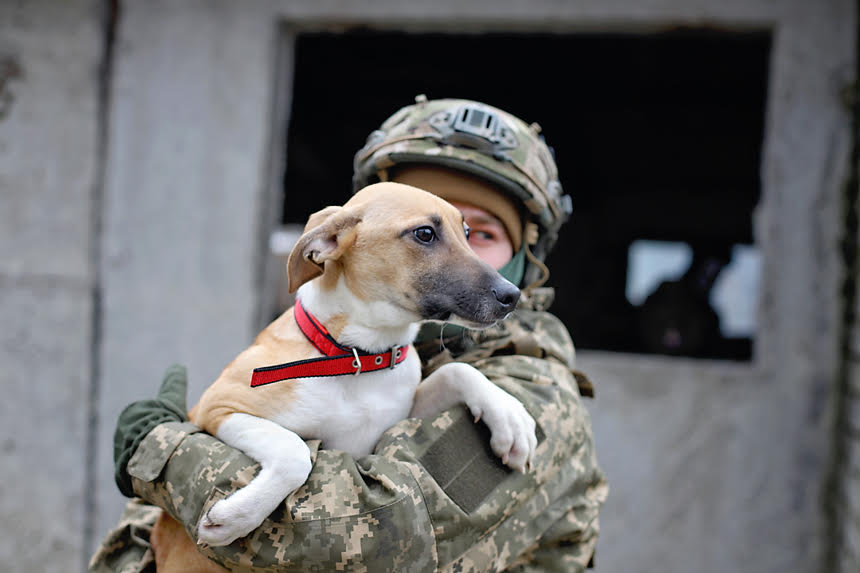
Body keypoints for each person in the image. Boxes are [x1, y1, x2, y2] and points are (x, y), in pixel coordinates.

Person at [89, 96, 607, 573]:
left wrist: (162, 454)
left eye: (480, 234)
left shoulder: (536, 395)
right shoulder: (352, 347)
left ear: (524, 258)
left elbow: (372, 535)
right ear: (341, 245)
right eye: (426, 234)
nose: (463, 259)